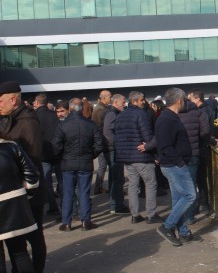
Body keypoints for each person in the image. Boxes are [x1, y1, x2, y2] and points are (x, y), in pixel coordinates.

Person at [0, 81, 47, 273]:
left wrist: (27, 189)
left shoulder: (28, 122)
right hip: (14, 191)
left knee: (33, 239)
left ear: (13, 99)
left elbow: (33, 159)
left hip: (29, 191)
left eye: (0, 101)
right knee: (18, 245)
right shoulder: (10, 119)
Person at [155, 88, 200, 246]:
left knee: (179, 199)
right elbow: (165, 145)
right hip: (174, 165)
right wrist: (179, 162)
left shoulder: (170, 117)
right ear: (179, 101)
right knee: (189, 196)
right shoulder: (167, 119)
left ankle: (183, 232)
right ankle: (167, 226)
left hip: (174, 163)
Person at [52, 98, 103, 232]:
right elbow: (99, 145)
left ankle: (67, 222)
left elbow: (56, 147)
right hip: (84, 162)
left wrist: (62, 156)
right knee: (84, 193)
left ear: (69, 109)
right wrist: (91, 155)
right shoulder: (91, 124)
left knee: (68, 193)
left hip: (68, 163)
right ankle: (85, 221)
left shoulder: (63, 125)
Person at [0, 138, 41, 273]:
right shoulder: (11, 147)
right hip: (15, 206)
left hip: (13, 204)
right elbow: (32, 177)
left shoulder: (11, 147)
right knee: (20, 253)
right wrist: (24, 196)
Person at [114, 92, 161, 225]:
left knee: (133, 185)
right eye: (141, 100)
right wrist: (155, 153)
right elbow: (147, 135)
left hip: (127, 157)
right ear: (134, 101)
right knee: (150, 184)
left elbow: (116, 136)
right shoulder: (141, 114)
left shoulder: (120, 116)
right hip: (142, 156)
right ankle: (151, 214)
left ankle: (135, 214)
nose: (143, 102)